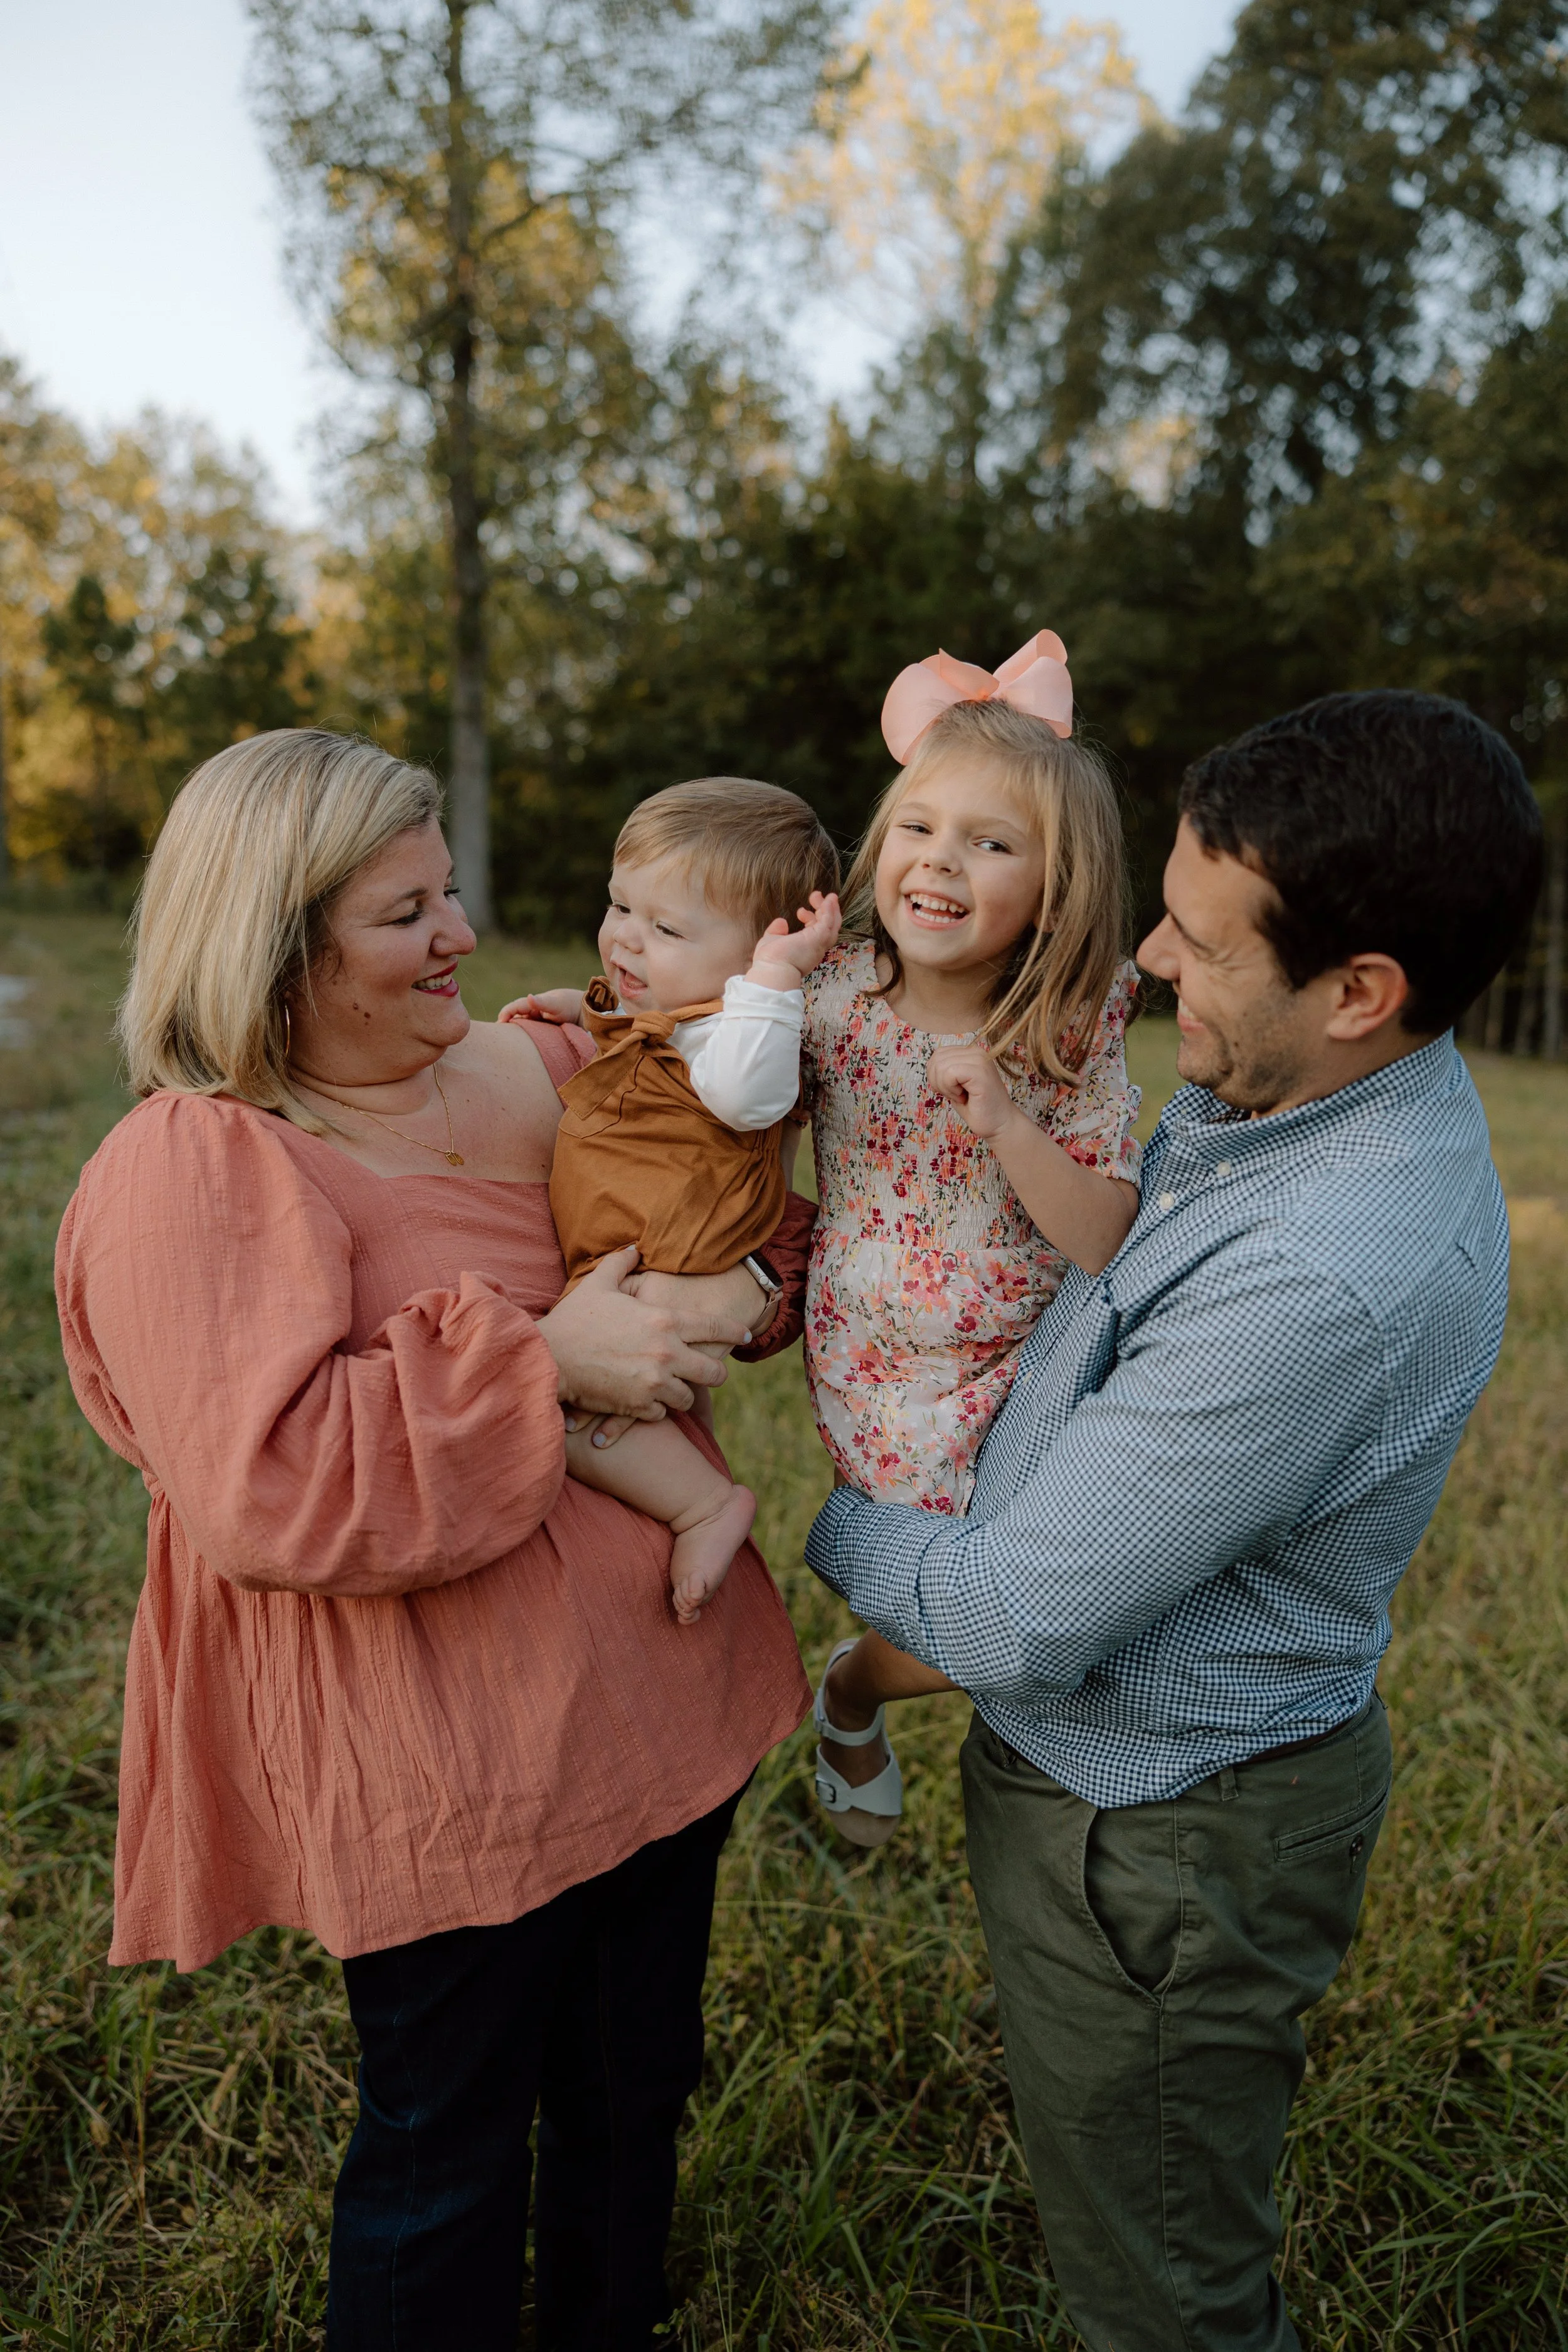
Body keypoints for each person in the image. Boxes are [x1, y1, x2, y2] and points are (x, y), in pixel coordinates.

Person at [53, 729, 816, 2352]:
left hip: (661, 1698)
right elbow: (265, 1484)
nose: (463, 935)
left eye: (451, 891)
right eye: (408, 911)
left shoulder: (547, 1056)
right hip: (445, 1757)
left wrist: (746, 1290)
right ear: (275, 941)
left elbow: (738, 1197)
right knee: (444, 2146)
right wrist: (546, 1362)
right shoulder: (197, 1161)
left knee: (631, 2090)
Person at [803, 688, 1542, 2351]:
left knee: (1165, 2302)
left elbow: (1004, 1618)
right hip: (1119, 1793)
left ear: (1360, 992)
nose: (1138, 955)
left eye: (1201, 942)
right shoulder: (1291, 1095)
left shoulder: (1322, 1271)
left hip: (1155, 1834)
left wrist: (824, 1501)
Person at [800, 635, 1144, 1843]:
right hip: (884, 1364)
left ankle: (858, 1687)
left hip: (1035, 1357)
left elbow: (1106, 1235)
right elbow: (706, 1076)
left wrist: (1007, 1122)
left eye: (991, 844)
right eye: (917, 829)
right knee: (974, 1628)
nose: (939, 862)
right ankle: (850, 1693)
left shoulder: (1068, 1021)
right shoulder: (833, 992)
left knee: (1058, 1609)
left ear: (1057, 887)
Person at [502, 776, 842, 1622]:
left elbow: (740, 1096)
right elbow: (643, 1021)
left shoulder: (748, 1031)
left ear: (762, 947)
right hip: (640, 1238)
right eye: (620, 906)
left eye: (664, 928)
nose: (626, 937)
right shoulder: (688, 1004)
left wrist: (772, 980)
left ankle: (703, 1505)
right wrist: (580, 1012)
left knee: (570, 1405)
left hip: (678, 1247)